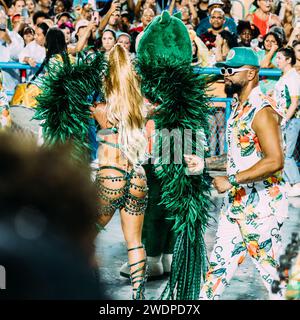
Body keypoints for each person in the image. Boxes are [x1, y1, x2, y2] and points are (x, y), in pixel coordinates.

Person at [200, 47, 288, 300]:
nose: (225, 75)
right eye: (223, 70)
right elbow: (241, 157)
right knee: (217, 272)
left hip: (261, 210)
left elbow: (275, 161)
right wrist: (205, 164)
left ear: (251, 74)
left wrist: (231, 180)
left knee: (274, 280)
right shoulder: (240, 107)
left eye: (231, 71)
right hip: (236, 206)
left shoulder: (262, 111)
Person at [90, 44, 148, 300]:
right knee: (134, 241)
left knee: (85, 235)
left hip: (110, 175)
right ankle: (138, 295)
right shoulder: (142, 106)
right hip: (137, 176)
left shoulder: (101, 109)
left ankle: (89, 288)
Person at [274, 47, 300, 197]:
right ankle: (289, 182)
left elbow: (294, 101)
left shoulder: (293, 77)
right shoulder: (284, 77)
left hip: (291, 120)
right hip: (283, 119)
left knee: (287, 153)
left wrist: (285, 120)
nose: (277, 61)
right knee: (282, 152)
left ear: (288, 60)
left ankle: (296, 183)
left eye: (279, 58)